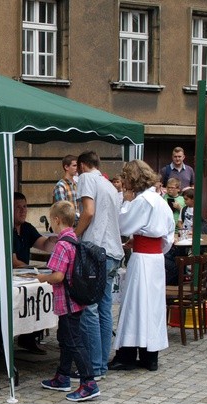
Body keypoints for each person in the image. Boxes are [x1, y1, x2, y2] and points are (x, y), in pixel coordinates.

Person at [110, 160, 175, 371]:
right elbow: (168, 236)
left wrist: (126, 202)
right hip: (155, 258)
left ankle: (127, 355)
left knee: (134, 304)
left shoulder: (142, 201)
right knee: (152, 307)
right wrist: (144, 241)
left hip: (143, 259)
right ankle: (150, 356)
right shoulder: (160, 201)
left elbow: (123, 223)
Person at [37, 201, 99, 401]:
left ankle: (89, 383)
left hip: (67, 301)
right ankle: (62, 376)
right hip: (76, 300)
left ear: (56, 220)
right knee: (65, 338)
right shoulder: (74, 240)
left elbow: (58, 276)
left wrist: (42, 278)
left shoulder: (62, 245)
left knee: (73, 341)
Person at [74, 151, 124, 379]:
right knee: (104, 309)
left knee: (89, 309)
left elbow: (89, 211)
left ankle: (93, 368)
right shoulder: (110, 185)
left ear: (83, 166)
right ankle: (101, 364)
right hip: (113, 251)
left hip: (96, 251)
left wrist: (73, 235)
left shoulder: (87, 178)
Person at [13, 191, 57, 354]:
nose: (23, 210)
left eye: (25, 207)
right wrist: (33, 271)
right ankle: (24, 336)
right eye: (18, 207)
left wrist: (54, 239)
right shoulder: (6, 229)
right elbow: (14, 261)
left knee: (46, 291)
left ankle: (29, 337)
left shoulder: (27, 228)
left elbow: (44, 245)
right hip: (14, 276)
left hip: (25, 276)